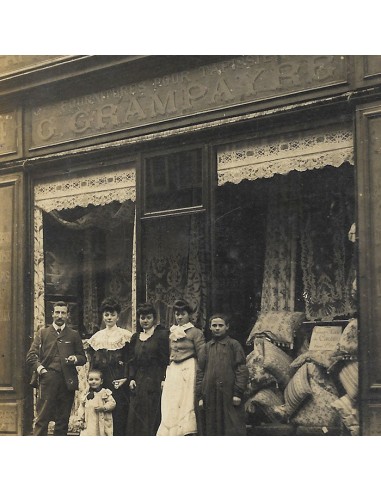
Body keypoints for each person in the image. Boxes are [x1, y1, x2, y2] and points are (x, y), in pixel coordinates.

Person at [26, 301, 87, 436]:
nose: (60, 316)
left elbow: (83, 358)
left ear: (68, 315)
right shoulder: (43, 333)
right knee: (42, 419)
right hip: (48, 380)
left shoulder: (73, 334)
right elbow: (31, 356)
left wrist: (75, 358)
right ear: (52, 314)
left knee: (62, 421)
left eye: (63, 313)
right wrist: (41, 369)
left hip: (67, 382)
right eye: (57, 312)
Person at [157, 299, 205, 436]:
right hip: (174, 369)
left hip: (188, 368)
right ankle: (171, 432)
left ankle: (185, 431)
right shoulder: (172, 331)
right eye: (177, 314)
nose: (179, 317)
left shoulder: (196, 333)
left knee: (186, 401)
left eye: (182, 314)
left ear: (189, 315)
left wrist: (200, 372)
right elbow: (168, 352)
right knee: (172, 400)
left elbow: (202, 355)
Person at [196, 313, 249, 436]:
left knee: (231, 426)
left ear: (227, 327)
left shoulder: (234, 345)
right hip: (210, 395)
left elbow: (241, 369)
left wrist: (238, 393)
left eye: (221, 325)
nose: (217, 328)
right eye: (214, 325)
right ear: (209, 327)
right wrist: (200, 396)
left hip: (229, 394)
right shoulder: (206, 348)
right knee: (211, 427)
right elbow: (200, 372)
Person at [86, 297, 132, 435]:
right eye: (106, 315)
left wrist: (126, 378)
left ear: (118, 316)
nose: (109, 318)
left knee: (119, 416)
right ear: (103, 316)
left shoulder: (125, 336)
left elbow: (130, 361)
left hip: (119, 383)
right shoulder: (96, 338)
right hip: (101, 383)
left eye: (112, 315)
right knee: (101, 417)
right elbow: (93, 365)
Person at [126, 303, 169, 435]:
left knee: (153, 414)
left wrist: (164, 379)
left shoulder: (161, 336)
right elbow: (132, 361)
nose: (145, 321)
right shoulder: (135, 338)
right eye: (142, 318)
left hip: (155, 380)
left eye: (148, 317)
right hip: (139, 380)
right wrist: (131, 378)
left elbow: (165, 360)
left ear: (154, 319)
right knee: (136, 415)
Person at [76, 369, 116, 436]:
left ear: (101, 381)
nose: (93, 382)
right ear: (87, 381)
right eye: (91, 379)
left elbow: (112, 403)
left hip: (100, 420)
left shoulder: (104, 392)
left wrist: (104, 407)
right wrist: (80, 420)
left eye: (96, 379)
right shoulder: (86, 394)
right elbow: (82, 407)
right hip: (89, 421)